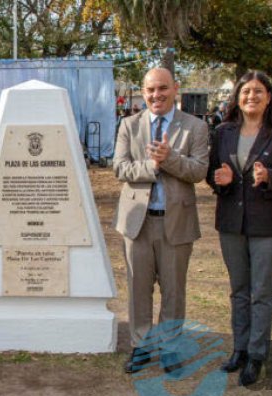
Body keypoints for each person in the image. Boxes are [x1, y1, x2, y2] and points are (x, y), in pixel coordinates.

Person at [112, 67, 209, 374]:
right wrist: (153, 166)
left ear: (175, 89)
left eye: (163, 88)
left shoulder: (195, 127)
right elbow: (120, 168)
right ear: (143, 92)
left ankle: (169, 347)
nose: (157, 95)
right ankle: (141, 346)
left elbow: (198, 171)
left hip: (176, 222)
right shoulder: (129, 125)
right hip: (137, 223)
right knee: (138, 287)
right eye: (151, 90)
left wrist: (170, 159)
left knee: (173, 289)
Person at [206, 71, 272, 386]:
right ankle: (239, 349)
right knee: (239, 291)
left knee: (261, 292)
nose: (251, 97)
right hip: (232, 222)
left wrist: (268, 177)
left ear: (268, 97)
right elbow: (212, 175)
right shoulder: (223, 132)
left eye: (258, 91)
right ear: (237, 96)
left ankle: (257, 355)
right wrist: (223, 181)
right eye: (246, 91)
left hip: (268, 225)